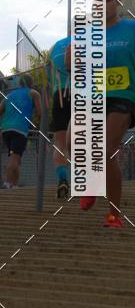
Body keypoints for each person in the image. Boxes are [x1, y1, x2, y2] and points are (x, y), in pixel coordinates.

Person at [66, 0, 135, 227]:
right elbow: (73, 67)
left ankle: (112, 212)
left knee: (107, 149)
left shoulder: (132, 28)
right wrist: (70, 57)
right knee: (71, 141)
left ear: (118, 2)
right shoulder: (87, 32)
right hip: (94, 95)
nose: (102, 4)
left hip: (123, 95)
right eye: (97, 0)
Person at [0, 74, 41, 188]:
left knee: (17, 159)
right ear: (31, 83)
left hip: (6, 130)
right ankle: (7, 183)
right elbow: (41, 113)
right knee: (14, 158)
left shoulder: (9, 96)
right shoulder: (33, 93)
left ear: (19, 84)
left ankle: (14, 185)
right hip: (19, 130)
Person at [47, 35, 71, 198]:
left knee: (60, 143)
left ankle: (62, 178)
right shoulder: (94, 42)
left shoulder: (55, 46)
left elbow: (48, 76)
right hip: (84, 94)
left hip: (60, 94)